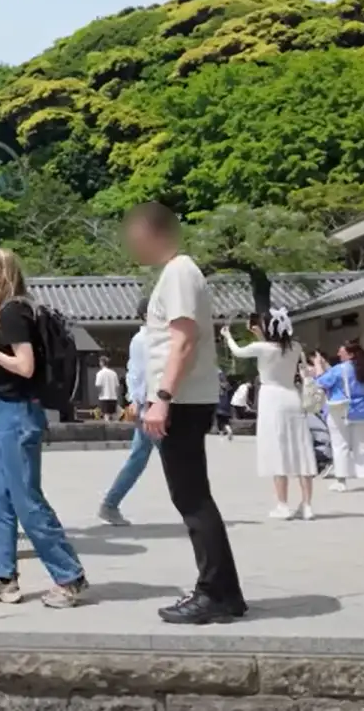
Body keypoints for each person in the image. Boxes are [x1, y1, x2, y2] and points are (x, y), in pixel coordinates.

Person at [123, 201, 245, 625]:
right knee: (193, 495)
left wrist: (162, 397)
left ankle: (213, 592)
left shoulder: (178, 272)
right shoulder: (182, 273)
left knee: (191, 497)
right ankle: (224, 591)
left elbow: (183, 340)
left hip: (182, 399)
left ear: (151, 233)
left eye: (134, 235)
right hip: (187, 397)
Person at [0, 248, 86, 608]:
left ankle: (68, 576)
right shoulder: (11, 311)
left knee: (26, 499)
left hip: (18, 414)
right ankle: (2, 576)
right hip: (4, 411)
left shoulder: (15, 312)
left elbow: (24, 366)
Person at [223, 310, 317, 520]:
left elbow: (238, 351)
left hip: (272, 399)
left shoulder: (262, 348)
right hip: (292, 397)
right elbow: (275, 348)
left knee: (278, 450)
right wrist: (261, 335)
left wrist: (228, 336)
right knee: (301, 449)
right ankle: (307, 504)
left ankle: (282, 504)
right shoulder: (295, 347)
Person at [98, 299, 154, 527]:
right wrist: (138, 401)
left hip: (150, 404)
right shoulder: (143, 340)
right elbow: (137, 373)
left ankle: (110, 504)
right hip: (149, 406)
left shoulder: (154, 338)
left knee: (138, 458)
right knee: (172, 460)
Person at [313, 339, 364, 493]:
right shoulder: (363, 369)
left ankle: (341, 481)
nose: (338, 353)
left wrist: (318, 365)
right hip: (362, 410)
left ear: (349, 354)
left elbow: (321, 382)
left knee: (340, 445)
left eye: (341, 351)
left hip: (340, 410)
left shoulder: (340, 369)